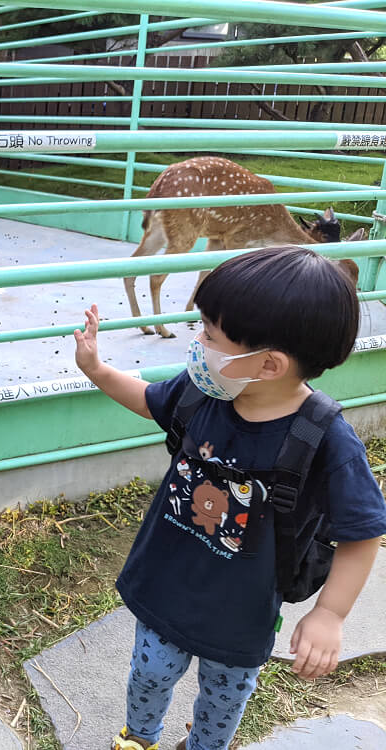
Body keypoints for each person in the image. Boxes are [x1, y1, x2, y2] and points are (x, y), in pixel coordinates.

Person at [72, 246, 386, 750]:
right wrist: (98, 370)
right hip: (167, 585)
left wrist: (330, 614)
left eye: (210, 335)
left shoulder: (325, 439)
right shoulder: (204, 394)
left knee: (223, 697)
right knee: (149, 673)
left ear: (268, 364)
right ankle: (139, 738)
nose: (198, 343)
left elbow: (363, 532)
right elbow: (151, 401)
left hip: (242, 611)